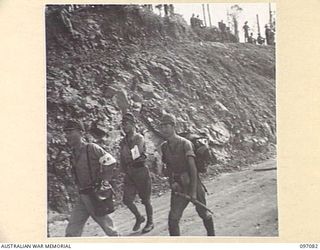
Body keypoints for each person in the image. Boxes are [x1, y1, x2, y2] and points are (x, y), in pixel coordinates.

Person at [160, 114, 215, 236]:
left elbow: (193, 169)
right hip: (179, 185)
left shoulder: (185, 144)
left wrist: (194, 192)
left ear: (173, 126)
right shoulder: (164, 147)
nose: (164, 129)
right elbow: (168, 168)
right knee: (173, 218)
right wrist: (172, 183)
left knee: (203, 213)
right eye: (162, 126)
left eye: (166, 126)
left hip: (193, 182)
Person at [64, 119, 119, 237]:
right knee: (72, 232)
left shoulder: (92, 148)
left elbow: (111, 162)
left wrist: (104, 182)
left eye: (70, 131)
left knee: (110, 230)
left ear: (81, 133)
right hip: (82, 197)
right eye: (66, 132)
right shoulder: (73, 154)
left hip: (95, 197)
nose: (67, 135)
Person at [119, 113, 154, 233]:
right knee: (127, 200)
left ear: (133, 124)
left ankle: (150, 222)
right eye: (123, 124)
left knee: (146, 200)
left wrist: (127, 155)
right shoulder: (123, 142)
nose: (124, 127)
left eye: (127, 124)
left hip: (140, 171)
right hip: (130, 172)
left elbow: (135, 154)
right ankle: (139, 217)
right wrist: (123, 170)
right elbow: (122, 158)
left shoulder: (138, 138)